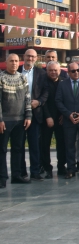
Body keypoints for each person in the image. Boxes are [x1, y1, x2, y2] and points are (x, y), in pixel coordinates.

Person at [55, 62, 79, 179]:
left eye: (78, 70)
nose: (76, 73)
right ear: (68, 72)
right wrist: (68, 114)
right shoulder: (62, 85)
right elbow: (58, 101)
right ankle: (70, 168)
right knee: (69, 145)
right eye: (73, 71)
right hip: (68, 120)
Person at [0, 54, 32, 187]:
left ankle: (16, 175)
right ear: (6, 63)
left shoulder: (22, 78)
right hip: (5, 121)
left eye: (16, 61)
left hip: (20, 120)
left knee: (18, 148)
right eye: (11, 61)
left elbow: (27, 98)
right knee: (2, 150)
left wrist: (28, 116)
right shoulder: (1, 78)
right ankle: (2, 177)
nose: (14, 63)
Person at [20, 49, 48, 181]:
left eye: (33, 56)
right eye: (28, 56)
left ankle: (35, 171)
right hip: (18, 114)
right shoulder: (16, 71)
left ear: (36, 58)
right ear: (24, 57)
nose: (30, 58)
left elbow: (46, 92)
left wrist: (39, 101)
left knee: (35, 144)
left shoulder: (41, 73)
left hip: (35, 113)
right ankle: (21, 171)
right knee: (19, 144)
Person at [40, 61, 68, 178]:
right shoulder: (42, 81)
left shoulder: (64, 81)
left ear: (59, 71)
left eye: (55, 70)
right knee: (44, 144)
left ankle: (61, 166)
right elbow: (43, 101)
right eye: (50, 70)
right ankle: (47, 168)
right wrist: (48, 116)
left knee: (62, 144)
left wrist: (64, 114)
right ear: (46, 71)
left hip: (61, 118)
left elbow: (67, 99)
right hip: (47, 118)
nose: (53, 72)